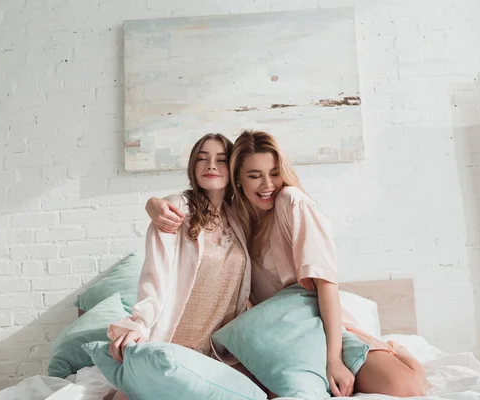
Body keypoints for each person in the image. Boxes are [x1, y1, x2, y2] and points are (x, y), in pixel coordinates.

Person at [145, 130, 427, 397]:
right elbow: (184, 207)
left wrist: (333, 359)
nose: (268, 185)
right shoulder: (238, 224)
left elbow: (326, 285)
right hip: (277, 339)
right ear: (238, 179)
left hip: (319, 328)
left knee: (406, 387)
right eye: (255, 176)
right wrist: (152, 204)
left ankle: (393, 348)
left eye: (274, 174)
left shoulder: (292, 202)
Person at [107, 133, 252, 368]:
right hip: (172, 344)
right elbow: (156, 274)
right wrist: (141, 324)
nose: (211, 165)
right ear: (193, 165)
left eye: (221, 159)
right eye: (202, 159)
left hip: (220, 355)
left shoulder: (238, 218)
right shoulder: (176, 208)